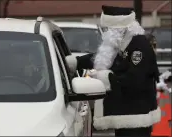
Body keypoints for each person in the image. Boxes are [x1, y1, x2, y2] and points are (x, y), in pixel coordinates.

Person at [66, 5, 161, 137]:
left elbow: (136, 78)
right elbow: (102, 58)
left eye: (107, 29)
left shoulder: (139, 45)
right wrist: (77, 62)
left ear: (118, 29)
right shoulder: (121, 42)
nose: (105, 32)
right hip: (125, 114)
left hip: (137, 116)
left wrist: (109, 79)